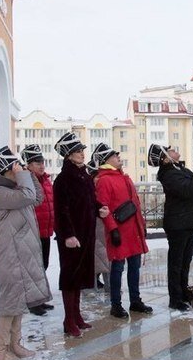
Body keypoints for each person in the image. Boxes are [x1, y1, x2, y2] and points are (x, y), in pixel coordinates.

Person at [0, 146, 52, 360]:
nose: (20, 169)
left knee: (19, 299)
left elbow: (37, 197)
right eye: (16, 166)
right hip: (9, 253)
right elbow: (29, 195)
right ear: (6, 169)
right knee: (9, 301)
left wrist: (28, 174)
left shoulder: (18, 187)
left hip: (21, 252)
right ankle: (0, 352)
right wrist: (23, 175)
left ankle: (15, 344)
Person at [53, 132, 108, 337]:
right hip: (72, 237)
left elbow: (90, 201)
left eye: (82, 150)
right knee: (70, 277)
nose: (82, 154)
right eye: (77, 151)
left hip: (86, 233)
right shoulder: (62, 180)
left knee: (80, 276)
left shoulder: (83, 175)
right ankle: (69, 320)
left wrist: (100, 208)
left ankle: (77, 316)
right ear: (68, 155)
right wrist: (67, 235)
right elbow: (61, 210)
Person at [148, 144, 193, 311]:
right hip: (177, 224)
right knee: (176, 263)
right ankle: (175, 299)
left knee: (186, 260)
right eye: (169, 150)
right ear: (165, 158)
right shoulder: (168, 174)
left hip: (185, 222)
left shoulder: (177, 168)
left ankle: (183, 291)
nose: (173, 150)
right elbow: (187, 189)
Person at [93, 143, 152, 318]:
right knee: (117, 268)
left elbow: (136, 205)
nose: (118, 157)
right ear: (106, 160)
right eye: (114, 155)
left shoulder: (124, 178)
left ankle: (135, 300)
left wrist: (142, 225)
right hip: (119, 230)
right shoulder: (104, 180)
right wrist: (112, 229)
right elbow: (103, 208)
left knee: (134, 267)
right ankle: (116, 304)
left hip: (133, 230)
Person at [21, 144, 55, 316]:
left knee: (43, 265)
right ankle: (32, 302)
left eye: (42, 161)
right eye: (36, 162)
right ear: (28, 165)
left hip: (45, 231)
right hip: (32, 232)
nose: (41, 165)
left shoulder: (47, 180)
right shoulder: (25, 182)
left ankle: (40, 299)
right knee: (33, 268)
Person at [87, 161, 111, 294]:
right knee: (95, 260)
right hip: (94, 229)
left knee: (106, 259)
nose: (99, 179)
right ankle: (92, 287)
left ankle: (108, 286)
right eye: (96, 176)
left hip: (105, 229)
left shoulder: (104, 188)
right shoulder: (88, 191)